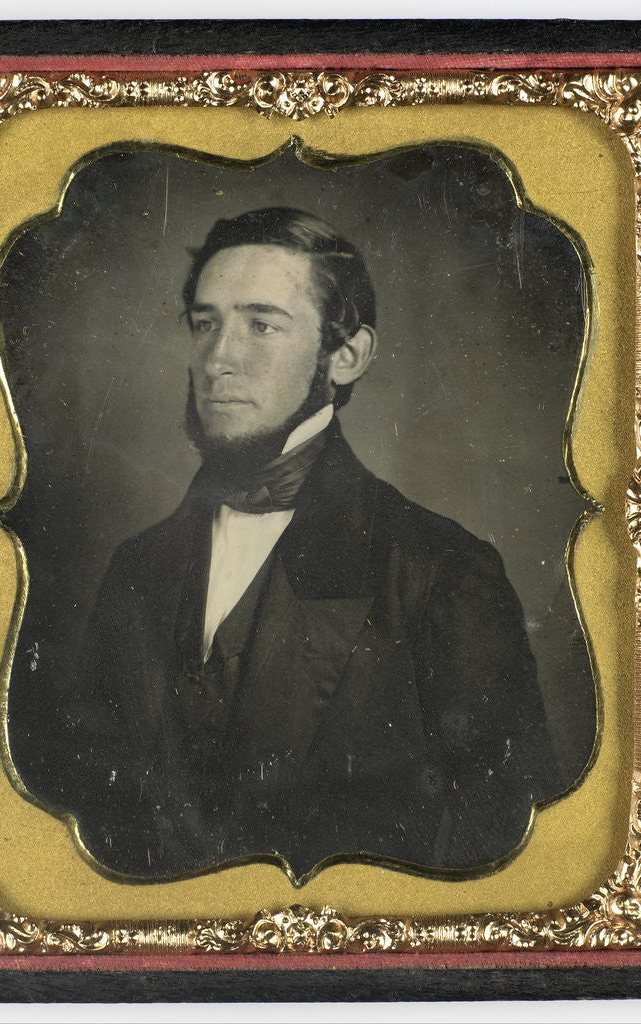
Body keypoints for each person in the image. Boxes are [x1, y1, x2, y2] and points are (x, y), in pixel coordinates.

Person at [44, 207, 559, 881]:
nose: (218, 358)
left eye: (261, 324)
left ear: (346, 356)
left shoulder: (441, 571)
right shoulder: (138, 566)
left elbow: (509, 855)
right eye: (206, 323)